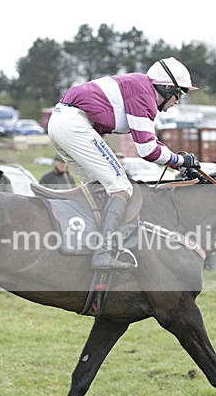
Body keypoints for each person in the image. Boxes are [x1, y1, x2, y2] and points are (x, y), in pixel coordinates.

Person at [47, 57, 199, 269]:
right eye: (179, 94)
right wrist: (181, 160)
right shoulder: (144, 95)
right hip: (73, 124)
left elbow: (150, 141)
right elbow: (148, 151)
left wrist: (178, 163)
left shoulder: (140, 87)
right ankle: (103, 252)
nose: (177, 102)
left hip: (62, 121)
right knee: (121, 187)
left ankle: (88, 245)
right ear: (166, 88)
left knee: (98, 188)